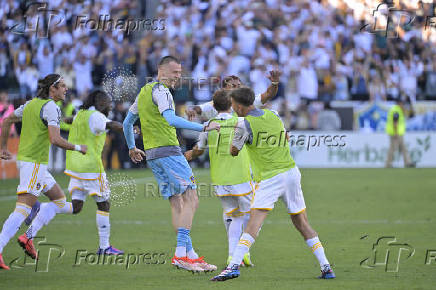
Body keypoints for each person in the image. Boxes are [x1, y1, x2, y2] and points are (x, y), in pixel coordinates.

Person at [211, 87, 335, 281]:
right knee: (302, 223)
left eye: (234, 105)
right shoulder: (274, 115)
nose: (233, 108)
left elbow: (234, 151)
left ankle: (233, 266)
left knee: (253, 223)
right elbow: (285, 136)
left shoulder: (243, 124)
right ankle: (326, 266)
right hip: (291, 172)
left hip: (271, 177)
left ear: (240, 106)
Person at [123, 56, 220, 272]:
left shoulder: (144, 91)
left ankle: (190, 254)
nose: (178, 76)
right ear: (161, 70)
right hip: (169, 151)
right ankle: (180, 255)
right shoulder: (162, 91)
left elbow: (127, 122)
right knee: (192, 198)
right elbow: (171, 119)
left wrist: (132, 146)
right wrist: (204, 127)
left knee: (177, 203)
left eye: (180, 72)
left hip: (153, 154)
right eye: (175, 72)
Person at [0, 74, 87, 270]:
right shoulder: (50, 107)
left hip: (33, 164)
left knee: (59, 201)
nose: (66, 89)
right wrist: (78, 147)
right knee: (22, 209)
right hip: (34, 165)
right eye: (63, 86)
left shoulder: (32, 104)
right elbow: (55, 139)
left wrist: (3, 148)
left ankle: (28, 237)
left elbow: (6, 121)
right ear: (52, 88)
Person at [23, 90, 124, 255]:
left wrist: (60, 120)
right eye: (108, 103)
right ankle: (104, 246)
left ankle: (41, 214)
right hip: (91, 168)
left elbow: (69, 120)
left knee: (76, 207)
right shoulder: (97, 116)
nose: (110, 106)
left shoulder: (80, 114)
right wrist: (130, 129)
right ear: (100, 103)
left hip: (75, 168)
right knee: (104, 204)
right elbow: (112, 125)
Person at [184, 90, 254, 266]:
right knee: (255, 216)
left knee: (235, 216)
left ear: (213, 106)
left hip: (220, 180)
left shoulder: (208, 125)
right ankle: (243, 251)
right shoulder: (240, 122)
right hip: (241, 177)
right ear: (231, 104)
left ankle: (233, 256)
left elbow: (199, 150)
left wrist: (188, 154)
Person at [185, 71, 281, 121]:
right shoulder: (217, 104)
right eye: (233, 86)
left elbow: (268, 94)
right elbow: (199, 108)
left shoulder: (248, 102)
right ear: (224, 89)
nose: (237, 88)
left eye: (239, 86)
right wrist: (192, 110)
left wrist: (274, 83)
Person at [385, 99, 415, 168]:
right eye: (402, 104)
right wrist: (395, 132)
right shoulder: (396, 110)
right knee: (393, 148)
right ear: (399, 103)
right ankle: (388, 164)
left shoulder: (395, 109)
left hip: (397, 132)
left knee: (403, 148)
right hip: (396, 133)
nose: (403, 105)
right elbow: (395, 122)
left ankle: (407, 162)